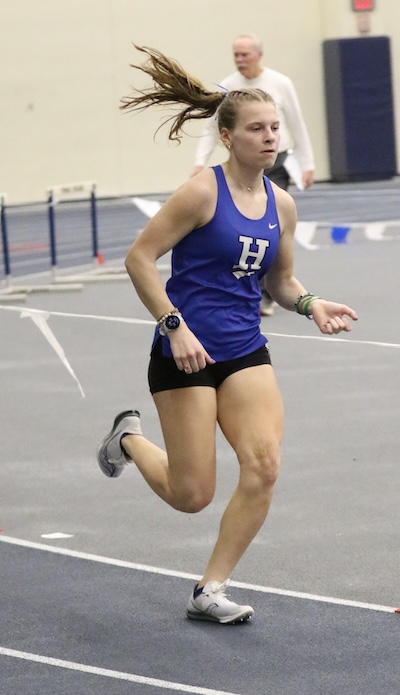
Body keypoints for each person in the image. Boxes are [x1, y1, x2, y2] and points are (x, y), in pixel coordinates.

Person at [97, 45, 357, 625]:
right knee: (191, 495)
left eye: (275, 128)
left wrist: (311, 304)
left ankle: (209, 589)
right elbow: (139, 260)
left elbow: (280, 281)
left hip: (244, 351)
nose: (270, 137)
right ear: (228, 137)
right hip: (185, 353)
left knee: (264, 466)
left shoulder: (281, 205)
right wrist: (174, 327)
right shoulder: (201, 192)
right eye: (257, 129)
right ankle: (129, 439)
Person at [191, 33, 315, 317]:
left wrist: (307, 163)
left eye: (244, 54)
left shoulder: (280, 83)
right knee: (243, 229)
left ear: (259, 55)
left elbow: (296, 123)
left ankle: (267, 292)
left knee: (269, 226)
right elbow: (212, 128)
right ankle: (251, 288)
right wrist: (199, 163)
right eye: (236, 54)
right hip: (241, 164)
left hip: (277, 163)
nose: (239, 59)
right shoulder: (229, 86)